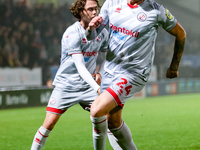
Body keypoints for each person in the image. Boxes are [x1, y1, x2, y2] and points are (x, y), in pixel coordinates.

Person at [86, 0, 186, 149]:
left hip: (134, 73)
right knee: (113, 122)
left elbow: (181, 34)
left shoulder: (156, 11)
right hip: (110, 70)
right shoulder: (112, 3)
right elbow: (92, 37)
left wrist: (174, 66)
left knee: (96, 110)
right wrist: (90, 28)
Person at [30, 0, 110, 149]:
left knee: (105, 119)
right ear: (81, 12)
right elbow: (80, 66)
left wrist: (100, 72)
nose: (95, 12)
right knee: (49, 124)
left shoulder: (103, 32)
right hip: (66, 85)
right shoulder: (72, 33)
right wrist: (98, 88)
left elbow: (106, 58)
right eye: (90, 9)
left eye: (96, 9)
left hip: (88, 87)